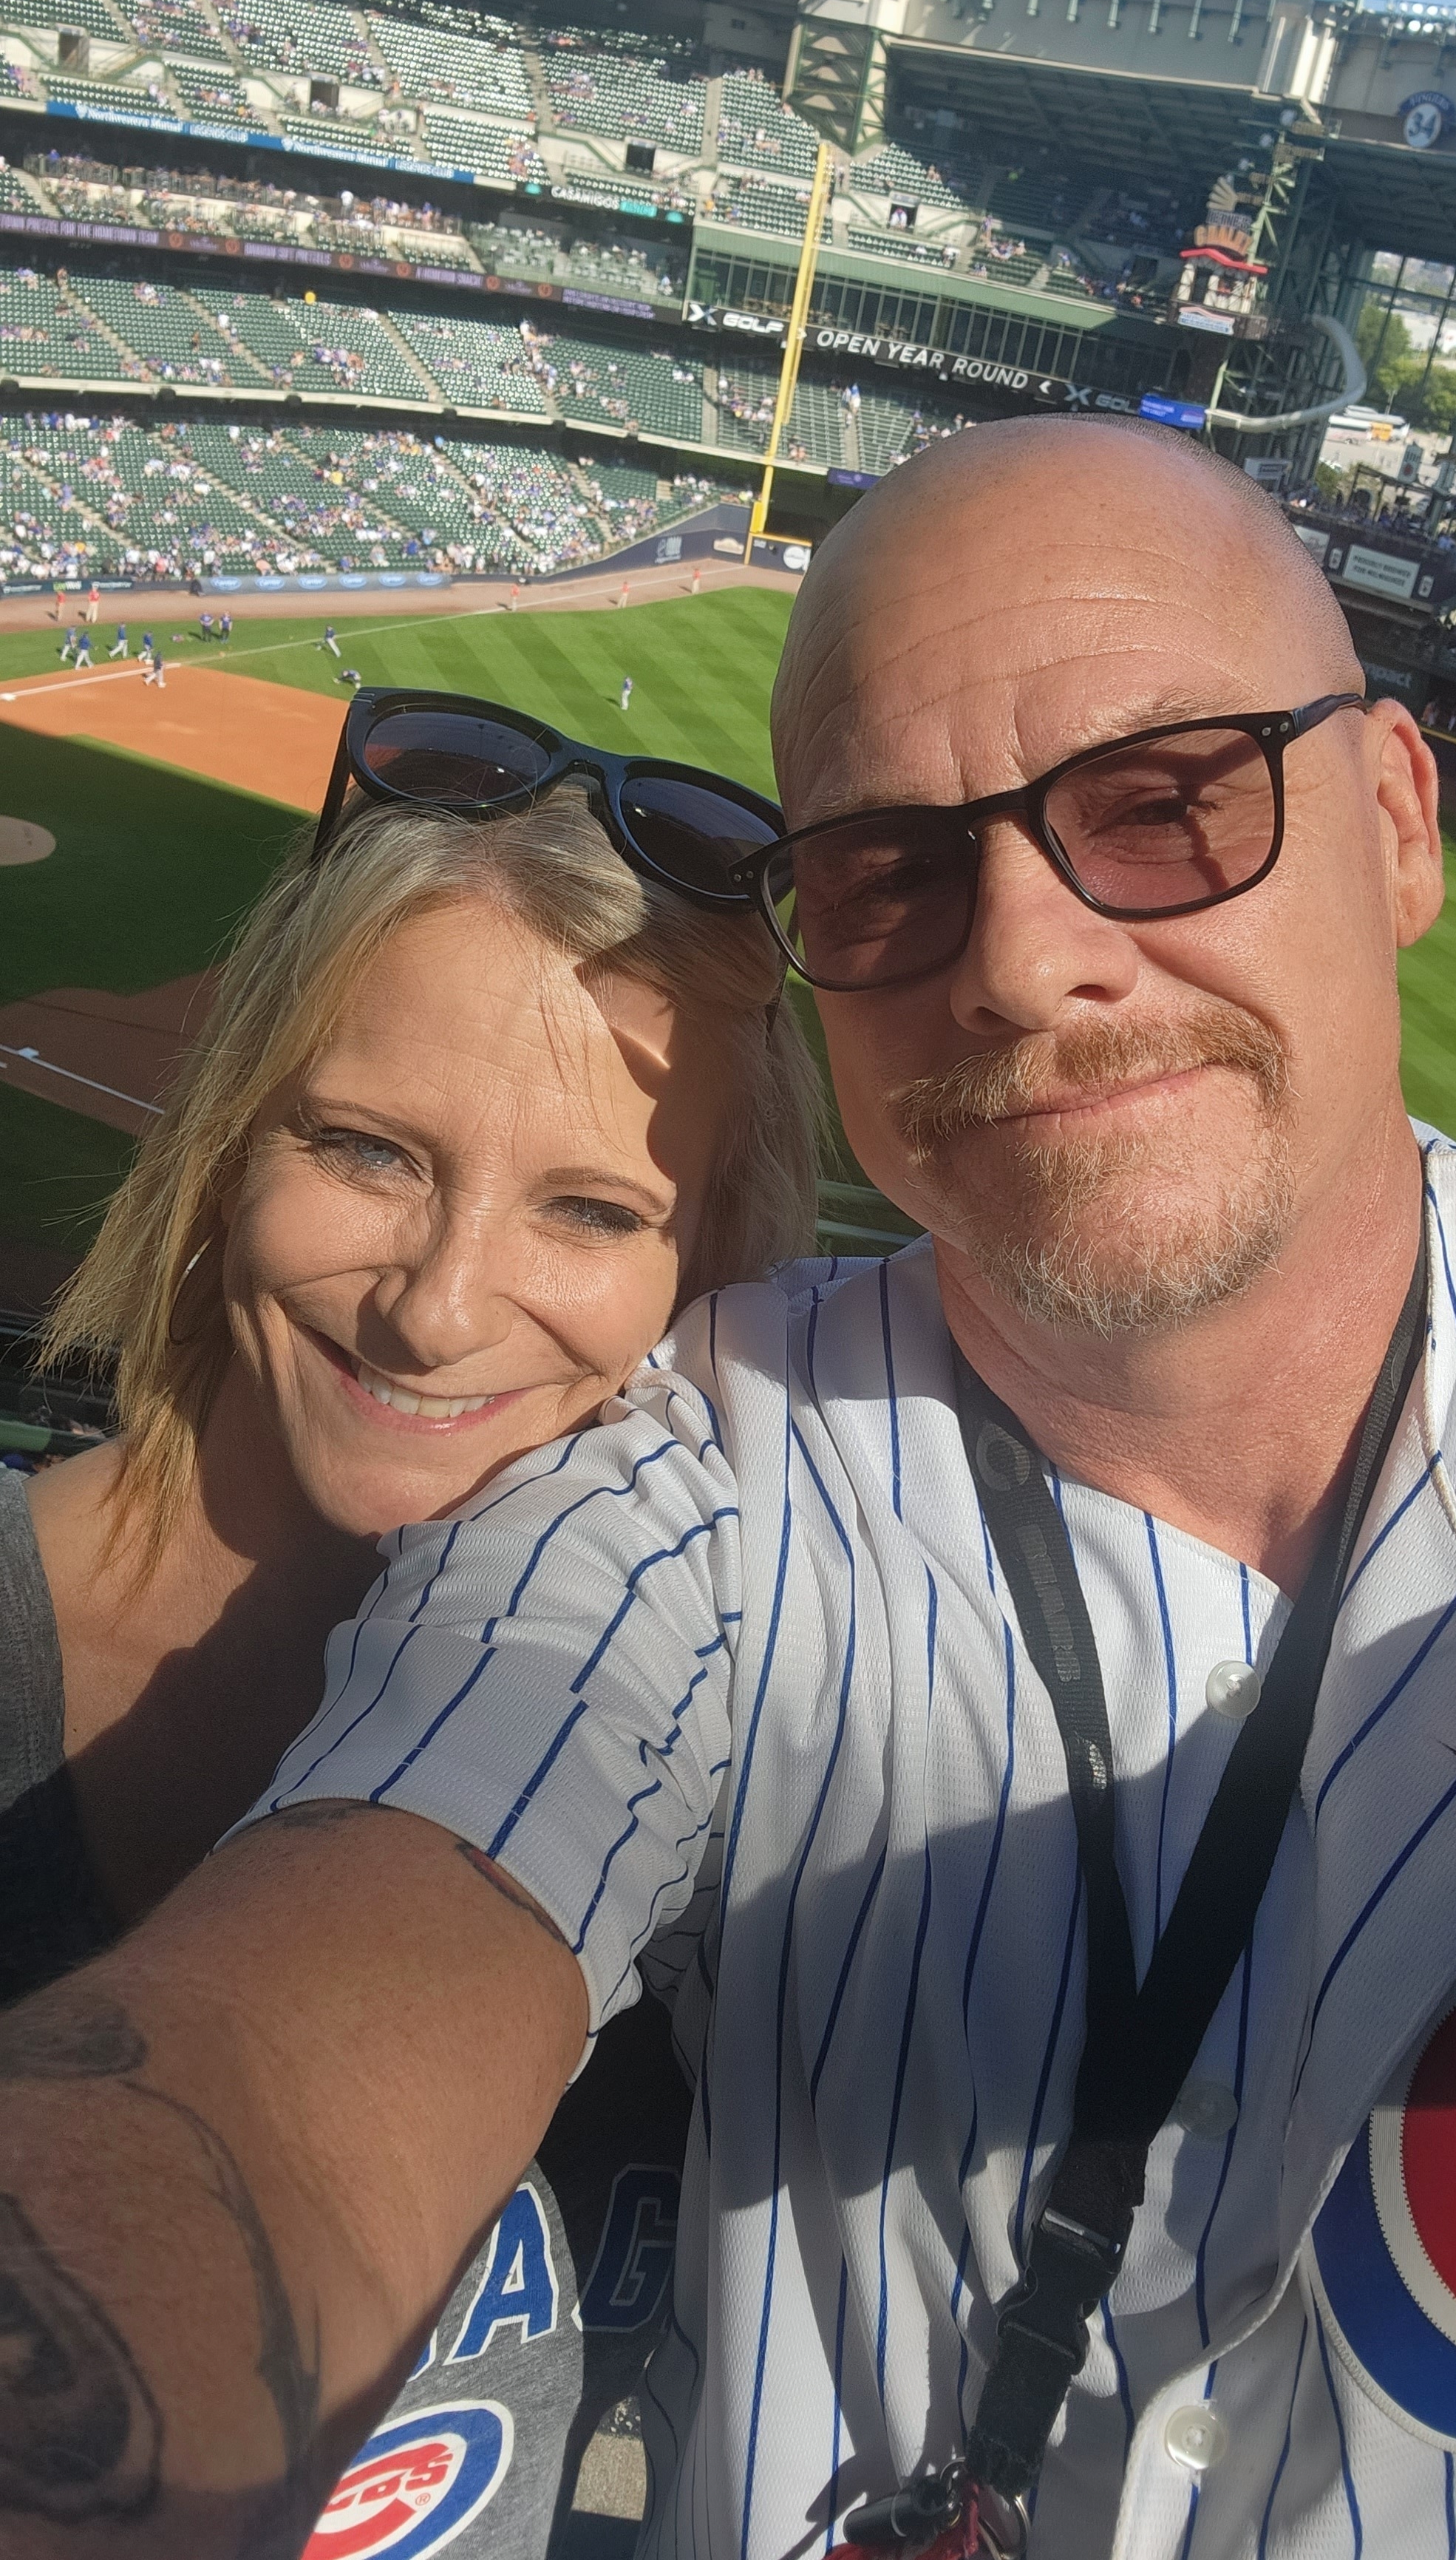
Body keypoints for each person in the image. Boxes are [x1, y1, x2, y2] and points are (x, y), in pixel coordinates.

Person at [6, 417, 1456, 2560]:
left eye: (1164, 803)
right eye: (889, 868)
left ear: (1399, 821)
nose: (1023, 958)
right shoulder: (687, 1476)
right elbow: (311, 2041)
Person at [1, 713, 819, 2553]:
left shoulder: (782, 1792)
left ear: (708, 1265)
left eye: (591, 1207)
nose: (440, 1311)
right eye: (367, 1150)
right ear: (231, 1142)